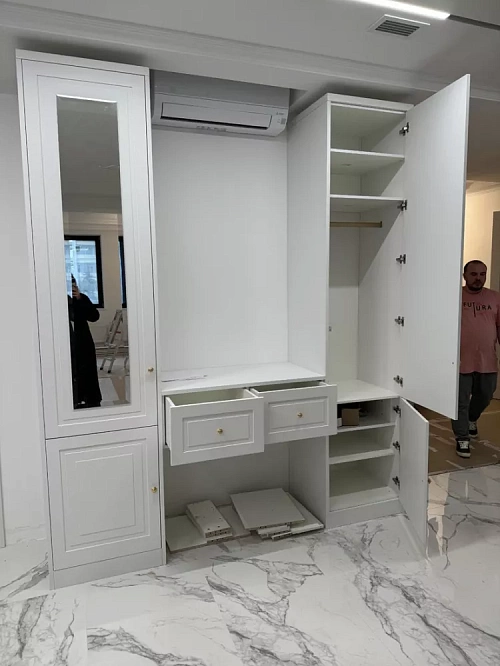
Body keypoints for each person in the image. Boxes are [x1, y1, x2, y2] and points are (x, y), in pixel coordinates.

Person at [452, 260, 500, 458]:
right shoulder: (454, 296)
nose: (478, 278)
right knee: (460, 401)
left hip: (487, 360)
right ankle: (462, 437)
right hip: (459, 361)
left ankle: (472, 419)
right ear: (464, 276)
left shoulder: (495, 297)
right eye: (473, 274)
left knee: (486, 395)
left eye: (482, 274)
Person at [68, 277, 102, 409]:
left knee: (87, 371)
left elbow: (94, 316)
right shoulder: (55, 300)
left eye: (73, 285)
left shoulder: (81, 298)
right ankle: (74, 400)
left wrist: (80, 299)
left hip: (83, 342)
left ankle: (91, 399)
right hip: (67, 344)